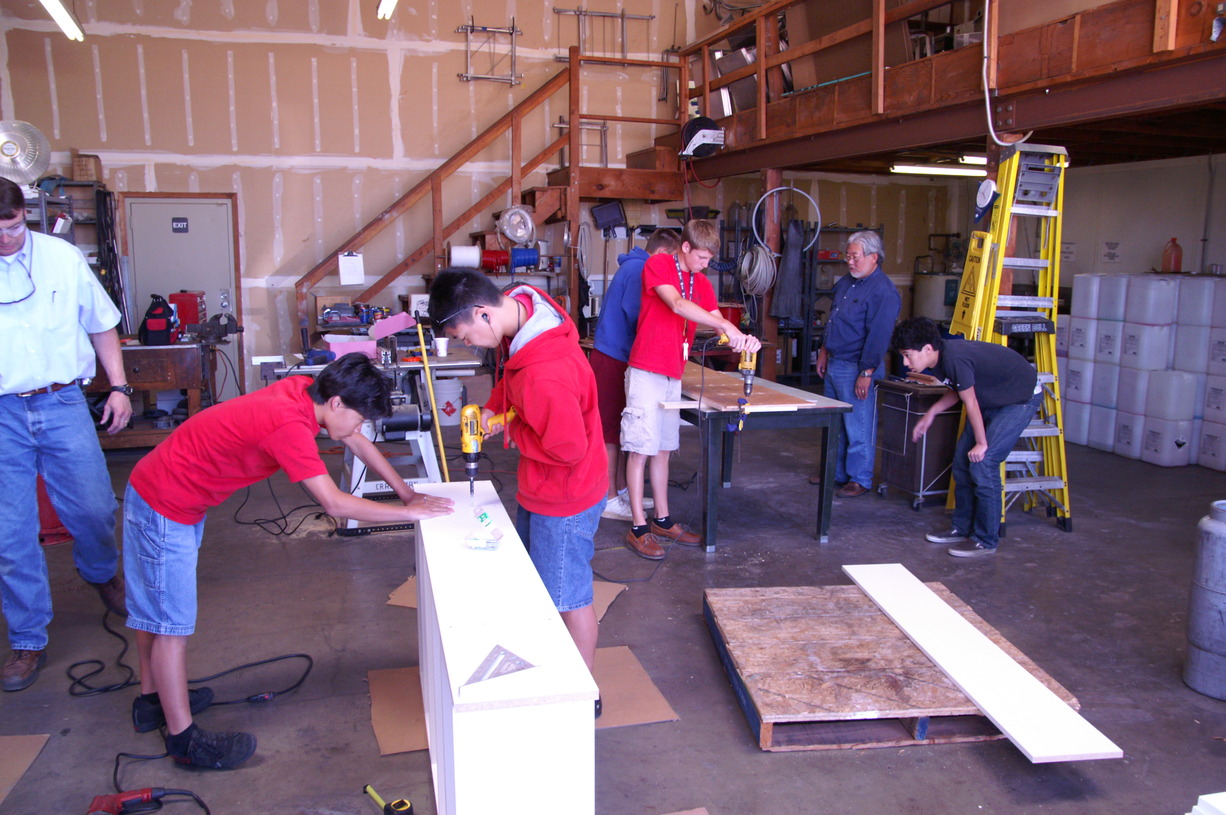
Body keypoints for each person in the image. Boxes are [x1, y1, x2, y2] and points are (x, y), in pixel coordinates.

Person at [123, 353, 454, 768]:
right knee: (170, 625)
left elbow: (354, 440)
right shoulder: (289, 425)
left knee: (156, 610)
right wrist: (410, 514)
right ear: (336, 403)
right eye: (358, 418)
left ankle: (152, 702)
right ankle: (183, 740)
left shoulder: (305, 392)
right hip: (164, 505)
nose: (358, 428)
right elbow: (335, 504)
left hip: (172, 496)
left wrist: (407, 493)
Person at [429, 269, 608, 711]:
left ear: (483, 313)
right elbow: (510, 379)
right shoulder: (523, 310)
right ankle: (554, 669)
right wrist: (496, 408)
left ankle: (583, 693)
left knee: (568, 597)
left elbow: (567, 449)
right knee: (546, 587)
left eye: (466, 336)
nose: (470, 344)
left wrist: (512, 428)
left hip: (565, 495)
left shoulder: (543, 374)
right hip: (544, 484)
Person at [0, 176, 132, 693]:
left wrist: (118, 386)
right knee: (10, 534)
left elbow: (100, 324)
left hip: (61, 403)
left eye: (12, 227)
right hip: (3, 412)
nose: (5, 239)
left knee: (95, 509)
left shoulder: (61, 257)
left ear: (25, 216)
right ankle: (27, 638)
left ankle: (101, 573)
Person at [621, 219, 761, 560]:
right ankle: (638, 527)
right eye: (701, 257)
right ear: (685, 247)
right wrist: (724, 323)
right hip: (646, 371)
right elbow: (677, 304)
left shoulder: (702, 282)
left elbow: (716, 320)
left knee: (664, 449)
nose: (705, 264)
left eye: (710, 259)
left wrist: (741, 338)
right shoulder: (658, 264)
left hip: (673, 373)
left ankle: (662, 520)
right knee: (640, 448)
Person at [892, 316, 1042, 558]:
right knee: (962, 463)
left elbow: (970, 402)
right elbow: (958, 390)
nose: (904, 362)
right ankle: (961, 528)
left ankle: (985, 540)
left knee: (984, 463)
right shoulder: (939, 359)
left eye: (908, 355)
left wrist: (982, 443)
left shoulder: (955, 358)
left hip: (1019, 399)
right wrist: (932, 413)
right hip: (993, 397)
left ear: (927, 348)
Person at [591, 228, 680, 521]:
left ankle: (622, 490)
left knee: (621, 430)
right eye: (674, 260)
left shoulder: (635, 266)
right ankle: (608, 498)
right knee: (611, 432)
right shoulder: (639, 270)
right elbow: (641, 319)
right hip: (613, 356)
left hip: (619, 355)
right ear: (663, 254)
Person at [812, 230, 901, 498]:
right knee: (835, 423)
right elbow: (833, 319)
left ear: (874, 257)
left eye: (855, 257)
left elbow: (878, 336)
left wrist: (866, 372)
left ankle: (859, 478)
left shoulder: (883, 291)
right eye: (848, 256)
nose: (849, 262)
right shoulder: (847, 283)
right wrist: (824, 351)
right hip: (835, 362)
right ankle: (836, 473)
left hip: (857, 367)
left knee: (858, 426)